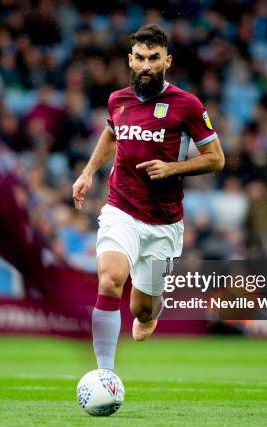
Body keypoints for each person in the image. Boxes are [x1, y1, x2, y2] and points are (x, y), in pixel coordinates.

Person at [72, 24, 225, 371]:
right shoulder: (118, 100)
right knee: (110, 278)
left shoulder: (186, 105)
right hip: (121, 209)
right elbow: (112, 135)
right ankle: (104, 374)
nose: (145, 65)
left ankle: (151, 310)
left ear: (166, 60)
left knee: (141, 307)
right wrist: (87, 172)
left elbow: (217, 159)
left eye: (153, 58)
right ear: (130, 59)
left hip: (164, 222)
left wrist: (172, 169)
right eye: (139, 58)